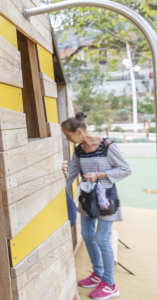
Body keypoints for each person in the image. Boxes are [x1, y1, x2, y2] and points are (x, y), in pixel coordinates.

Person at [62, 112, 131, 300]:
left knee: (102, 239)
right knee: (86, 235)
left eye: (68, 135)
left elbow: (126, 169)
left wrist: (99, 175)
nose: (66, 138)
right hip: (87, 200)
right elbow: (73, 173)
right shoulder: (78, 149)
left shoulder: (106, 146)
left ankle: (110, 284)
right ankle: (98, 273)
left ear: (78, 131)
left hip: (106, 201)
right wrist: (60, 188)